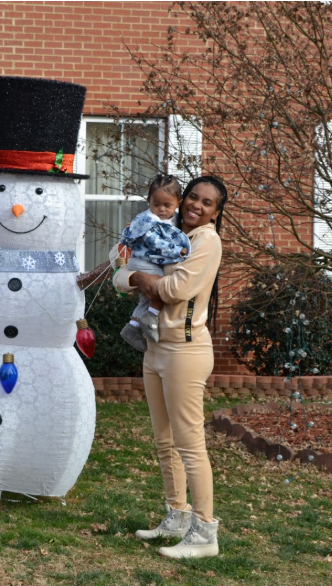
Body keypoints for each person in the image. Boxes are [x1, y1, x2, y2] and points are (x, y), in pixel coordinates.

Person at [113, 175, 227, 559]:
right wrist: (137, 276)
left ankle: (205, 532)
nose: (196, 205)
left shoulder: (206, 241)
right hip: (156, 347)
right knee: (165, 440)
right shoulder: (167, 232)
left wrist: (140, 277)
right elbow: (118, 274)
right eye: (192, 197)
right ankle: (176, 515)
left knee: (190, 445)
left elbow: (176, 291)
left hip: (185, 351)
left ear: (215, 211)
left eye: (206, 202)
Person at [119, 174, 190, 353]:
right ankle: (151, 317)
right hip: (142, 262)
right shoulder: (149, 221)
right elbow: (154, 243)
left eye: (167, 205)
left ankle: (132, 326)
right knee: (159, 286)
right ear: (149, 200)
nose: (161, 209)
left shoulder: (172, 221)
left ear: (178, 203)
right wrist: (176, 251)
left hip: (145, 262)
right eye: (156, 204)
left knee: (146, 297)